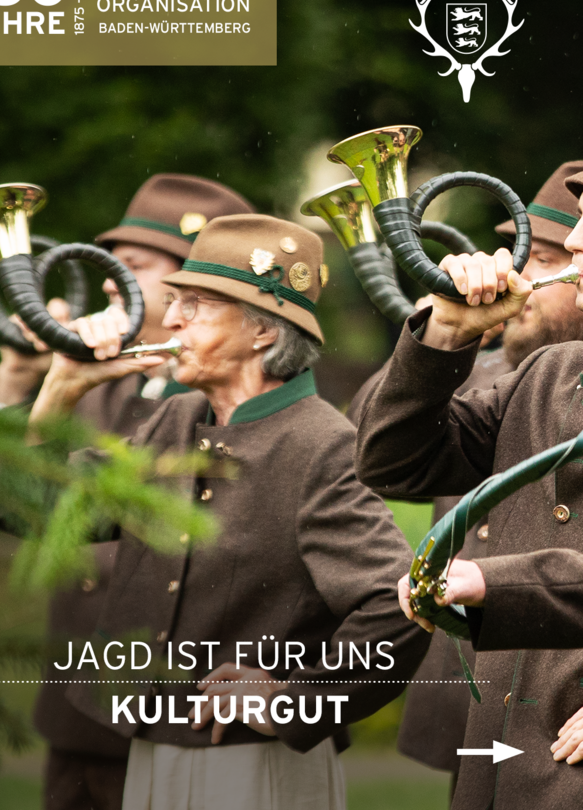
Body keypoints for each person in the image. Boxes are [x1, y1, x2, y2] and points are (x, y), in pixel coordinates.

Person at [29, 213, 430, 810]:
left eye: (193, 304)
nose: (171, 320)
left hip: (253, 763)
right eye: (175, 302)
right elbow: (42, 509)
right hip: (153, 744)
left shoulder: (323, 445)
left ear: (261, 331)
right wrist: (59, 391)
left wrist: (292, 701)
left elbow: (400, 604)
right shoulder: (177, 417)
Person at [0, 173, 255, 810]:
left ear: (199, 284)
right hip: (82, 712)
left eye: (133, 264)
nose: (110, 282)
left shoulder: (238, 397)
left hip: (193, 714)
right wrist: (18, 380)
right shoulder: (97, 375)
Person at [348, 161, 583, 794]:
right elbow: (393, 464)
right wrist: (446, 330)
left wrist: (489, 581)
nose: (575, 242)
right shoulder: (550, 373)